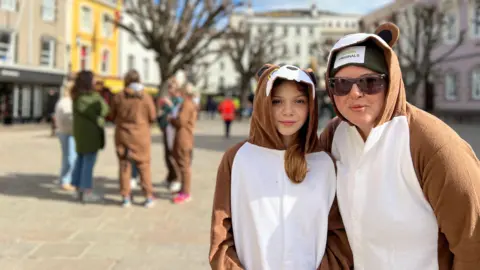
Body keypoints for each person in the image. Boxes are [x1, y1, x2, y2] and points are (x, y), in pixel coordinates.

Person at [319, 22, 480, 269]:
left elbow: (473, 243)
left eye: (369, 82)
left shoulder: (432, 144)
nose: (355, 93)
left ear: (391, 82)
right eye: (341, 84)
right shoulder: (334, 135)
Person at [209, 64, 351, 269]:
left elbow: (338, 236)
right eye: (277, 101)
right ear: (263, 103)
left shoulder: (325, 164)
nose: (288, 111)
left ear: (310, 106)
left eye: (299, 101)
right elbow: (221, 236)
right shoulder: (238, 159)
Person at [110, 70, 157, 208]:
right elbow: (153, 116)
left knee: (125, 166)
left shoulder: (119, 96)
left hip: (123, 135)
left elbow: (112, 115)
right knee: (144, 166)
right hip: (141, 136)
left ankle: (125, 197)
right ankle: (148, 196)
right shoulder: (146, 97)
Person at [71, 70, 110, 203]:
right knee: (89, 162)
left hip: (80, 133)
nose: (95, 82)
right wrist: (98, 95)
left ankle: (77, 189)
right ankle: (86, 190)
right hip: (91, 134)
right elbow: (105, 109)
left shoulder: (76, 96)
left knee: (80, 159)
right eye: (93, 80)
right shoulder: (91, 97)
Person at [169, 83, 198, 204]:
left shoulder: (186, 104)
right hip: (185, 137)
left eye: (181, 91)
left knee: (184, 165)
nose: (179, 93)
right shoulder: (190, 103)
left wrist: (171, 119)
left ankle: (185, 193)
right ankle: (183, 189)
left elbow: (181, 121)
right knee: (182, 163)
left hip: (183, 137)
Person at [157, 77, 184, 192]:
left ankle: (178, 179)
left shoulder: (179, 101)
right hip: (166, 130)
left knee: (174, 156)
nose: (169, 89)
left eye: (171, 87)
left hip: (175, 132)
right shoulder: (169, 99)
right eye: (168, 87)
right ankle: (171, 176)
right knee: (167, 155)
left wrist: (170, 106)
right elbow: (163, 115)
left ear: (177, 88)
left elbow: (178, 116)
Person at [54, 81, 77, 191]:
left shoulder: (63, 102)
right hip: (69, 132)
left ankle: (65, 179)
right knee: (71, 158)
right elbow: (69, 119)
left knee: (67, 157)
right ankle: (66, 180)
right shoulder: (67, 102)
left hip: (64, 132)